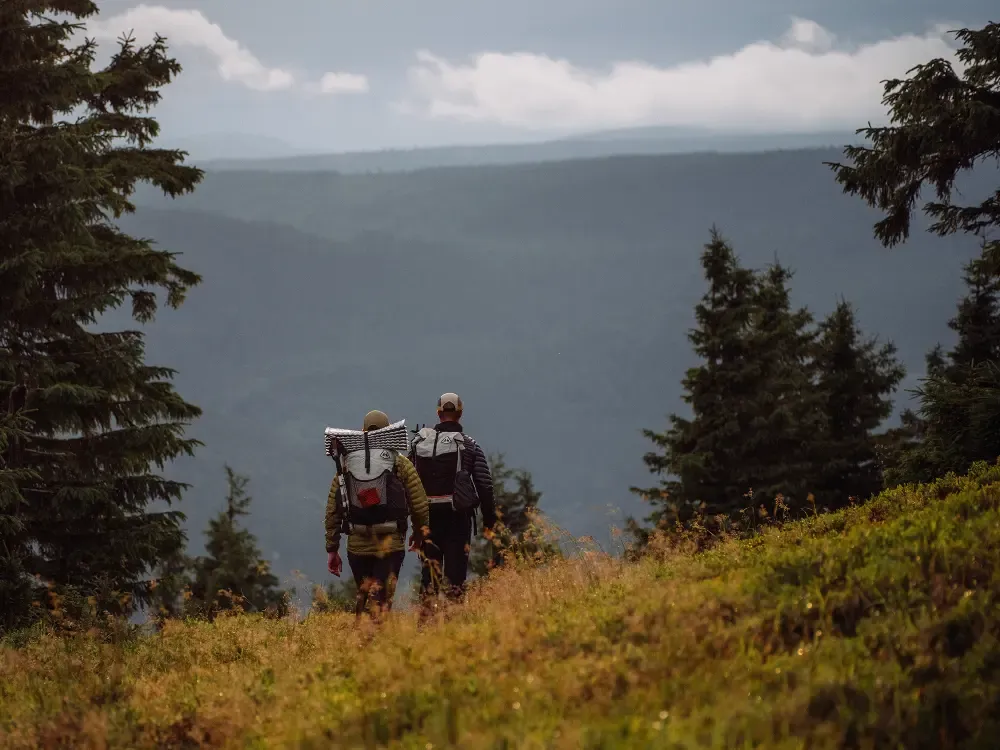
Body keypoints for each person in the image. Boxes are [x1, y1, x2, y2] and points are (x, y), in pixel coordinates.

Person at [324, 410, 430, 619]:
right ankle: (376, 643)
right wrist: (419, 534)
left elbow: (333, 510)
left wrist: (332, 548)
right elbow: (419, 503)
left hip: (357, 544)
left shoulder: (347, 464)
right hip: (391, 544)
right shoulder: (399, 462)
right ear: (388, 430)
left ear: (363, 431)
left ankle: (362, 643)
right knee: (381, 601)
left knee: (365, 598)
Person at [410, 392, 496, 608]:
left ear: (438, 413)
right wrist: (489, 521)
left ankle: (425, 628)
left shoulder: (420, 443)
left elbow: (407, 482)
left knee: (430, 577)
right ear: (460, 413)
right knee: (455, 578)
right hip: (458, 519)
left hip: (427, 519)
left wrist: (413, 524)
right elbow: (484, 485)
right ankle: (454, 628)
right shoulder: (469, 445)